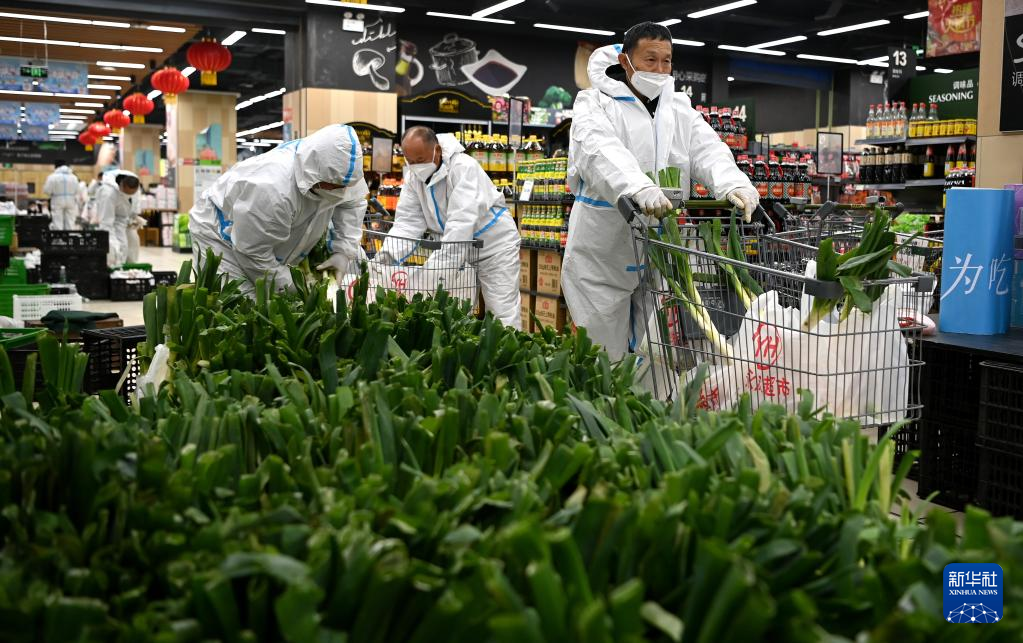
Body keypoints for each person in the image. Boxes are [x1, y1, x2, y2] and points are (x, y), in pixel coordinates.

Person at [563, 22, 760, 360]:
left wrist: (733, 182)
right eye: (650, 60)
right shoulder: (594, 103)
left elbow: (707, 149)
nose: (659, 69)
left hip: (661, 247)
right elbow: (599, 151)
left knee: (657, 355)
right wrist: (637, 186)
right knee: (601, 352)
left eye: (666, 61)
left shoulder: (678, 108)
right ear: (625, 61)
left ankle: (645, 395)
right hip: (603, 248)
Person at [189, 123, 367, 295]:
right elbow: (253, 252)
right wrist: (291, 285)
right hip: (218, 233)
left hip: (257, 235)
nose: (340, 191)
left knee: (267, 294)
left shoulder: (344, 173)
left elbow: (352, 203)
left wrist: (343, 251)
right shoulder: (273, 189)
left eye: (343, 187)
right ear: (315, 174)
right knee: (239, 300)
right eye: (333, 186)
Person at [378, 126, 520, 328]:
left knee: (501, 311)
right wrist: (387, 256)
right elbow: (408, 222)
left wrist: (436, 272)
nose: (415, 167)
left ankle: (509, 345)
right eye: (410, 162)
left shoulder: (463, 168)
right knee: (456, 316)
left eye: (420, 160)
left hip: (494, 248)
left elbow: (461, 222)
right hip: (458, 251)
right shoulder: (414, 179)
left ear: (436, 150)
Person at [95, 170, 141, 266]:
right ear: (121, 186)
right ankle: (116, 267)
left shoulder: (134, 184)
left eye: (133, 193)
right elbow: (106, 223)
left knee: (133, 243)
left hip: (125, 220)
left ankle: (129, 267)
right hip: (110, 220)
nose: (130, 195)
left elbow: (133, 204)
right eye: (127, 193)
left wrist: (134, 217)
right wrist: (114, 244)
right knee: (118, 247)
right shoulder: (108, 193)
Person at [43, 160, 80, 230]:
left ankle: (59, 236)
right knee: (70, 221)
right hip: (71, 200)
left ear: (56, 167)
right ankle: (69, 236)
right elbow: (78, 190)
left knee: (57, 221)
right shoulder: (73, 177)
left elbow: (47, 190)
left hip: (57, 200)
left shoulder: (52, 177)